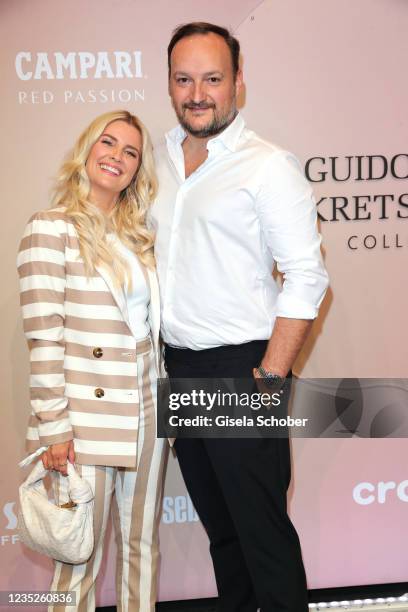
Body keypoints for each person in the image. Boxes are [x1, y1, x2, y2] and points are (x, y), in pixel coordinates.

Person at [150, 22, 329, 612]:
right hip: (179, 366)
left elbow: (307, 275)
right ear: (170, 84)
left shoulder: (267, 165)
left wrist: (271, 375)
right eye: (184, 79)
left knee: (261, 534)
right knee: (223, 533)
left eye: (212, 78)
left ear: (238, 83)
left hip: (241, 369)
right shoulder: (157, 161)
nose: (196, 93)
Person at [17, 110, 168, 611]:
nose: (117, 157)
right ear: (86, 150)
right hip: (84, 416)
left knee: (143, 547)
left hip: (147, 405)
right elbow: (44, 338)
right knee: (79, 556)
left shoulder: (139, 236)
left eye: (131, 152)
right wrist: (53, 427)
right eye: (108, 143)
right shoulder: (50, 228)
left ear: (137, 169)